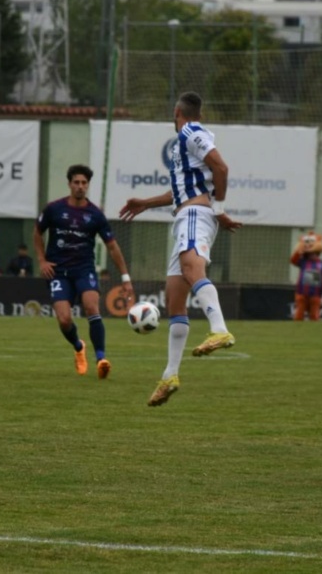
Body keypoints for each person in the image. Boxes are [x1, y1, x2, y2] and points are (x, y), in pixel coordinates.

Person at [119, 91, 242, 406]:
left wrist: (218, 210)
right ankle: (170, 375)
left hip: (195, 216)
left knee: (192, 269)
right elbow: (180, 191)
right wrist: (144, 203)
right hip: (187, 214)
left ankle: (219, 328)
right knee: (175, 297)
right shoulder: (188, 146)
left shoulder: (190, 132)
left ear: (177, 112)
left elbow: (222, 169)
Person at [35, 164, 134, 380]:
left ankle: (101, 359)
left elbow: (112, 246)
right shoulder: (54, 209)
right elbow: (37, 232)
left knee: (91, 307)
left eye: (84, 183)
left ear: (87, 185)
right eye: (77, 182)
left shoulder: (95, 214)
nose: (80, 186)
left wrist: (125, 278)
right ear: (69, 184)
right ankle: (79, 346)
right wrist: (42, 260)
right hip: (58, 272)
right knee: (64, 320)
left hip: (84, 269)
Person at [291, 232, 322, 321]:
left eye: (314, 254)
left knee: (314, 313)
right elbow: (293, 261)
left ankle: (314, 327)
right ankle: (297, 326)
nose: (312, 255)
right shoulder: (303, 262)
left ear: (318, 253)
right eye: (310, 254)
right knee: (299, 311)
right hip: (302, 292)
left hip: (316, 293)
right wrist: (298, 252)